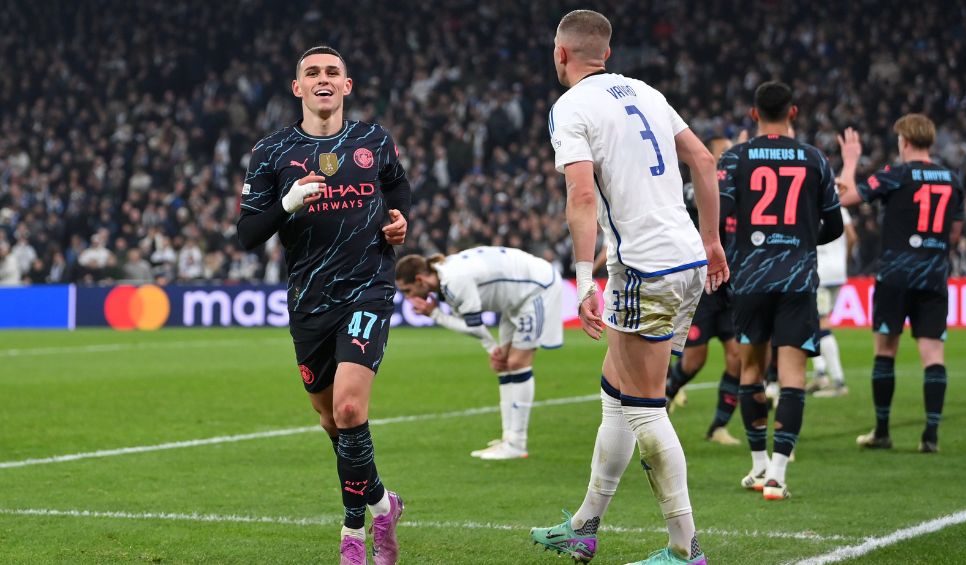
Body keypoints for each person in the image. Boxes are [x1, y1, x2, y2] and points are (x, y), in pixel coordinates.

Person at [530, 10, 728, 565]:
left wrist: (583, 277)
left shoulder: (570, 108)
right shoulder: (646, 91)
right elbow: (705, 161)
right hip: (686, 259)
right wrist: (712, 241)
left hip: (644, 267)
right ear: (607, 54)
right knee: (616, 394)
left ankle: (685, 549)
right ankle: (583, 525)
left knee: (643, 406)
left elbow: (582, 196)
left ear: (561, 54)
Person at [235, 45, 410, 565]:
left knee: (351, 408)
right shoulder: (270, 152)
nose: (323, 79)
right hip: (309, 301)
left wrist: (401, 219)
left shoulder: (373, 140)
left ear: (347, 85)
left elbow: (398, 187)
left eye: (332, 72)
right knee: (334, 424)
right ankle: (383, 502)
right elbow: (246, 234)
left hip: (368, 289)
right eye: (312, 73)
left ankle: (354, 534)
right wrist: (286, 203)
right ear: (298, 88)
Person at [719, 81, 843, 501]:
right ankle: (777, 475)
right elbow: (837, 226)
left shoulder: (735, 157)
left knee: (750, 371)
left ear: (754, 114)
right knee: (792, 378)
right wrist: (801, 238)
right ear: (793, 112)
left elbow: (718, 214)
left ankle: (756, 466)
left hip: (751, 279)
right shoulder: (814, 158)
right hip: (797, 280)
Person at [836, 115, 964, 453]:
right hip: (934, 274)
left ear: (904, 142)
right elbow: (954, 232)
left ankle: (882, 431)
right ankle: (931, 436)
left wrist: (850, 162)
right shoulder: (953, 179)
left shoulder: (896, 174)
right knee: (933, 353)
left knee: (886, 350)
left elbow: (847, 197)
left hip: (895, 275)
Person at [395, 246, 563, 460]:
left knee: (517, 363)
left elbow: (473, 326)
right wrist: (494, 349)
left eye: (408, 291)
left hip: (537, 289)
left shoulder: (454, 280)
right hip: (516, 298)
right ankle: (508, 438)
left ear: (420, 280)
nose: (409, 298)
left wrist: (434, 314)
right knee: (505, 365)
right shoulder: (446, 273)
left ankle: (517, 443)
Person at [663, 134, 746, 446]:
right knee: (695, 359)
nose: (728, 157)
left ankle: (719, 427)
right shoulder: (693, 189)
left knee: (736, 356)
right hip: (702, 286)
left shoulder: (739, 188)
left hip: (732, 285)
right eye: (722, 153)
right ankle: (667, 396)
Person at [806, 205, 857, 397]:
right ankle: (820, 373)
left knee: (820, 323)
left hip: (820, 272)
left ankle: (837, 380)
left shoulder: (809, 206)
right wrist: (844, 257)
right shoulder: (840, 208)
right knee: (814, 321)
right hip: (838, 272)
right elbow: (852, 236)